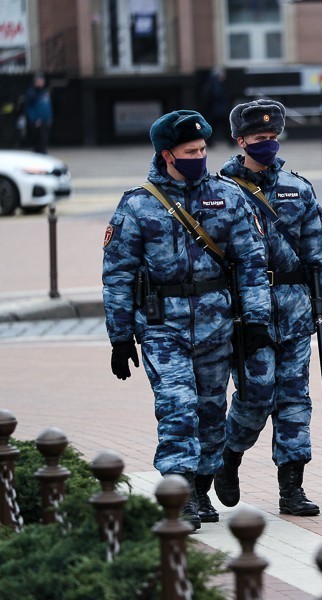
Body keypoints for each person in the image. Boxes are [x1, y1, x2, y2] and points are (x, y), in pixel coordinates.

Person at [102, 109, 272, 530]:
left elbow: (251, 262)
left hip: (217, 324)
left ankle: (201, 482)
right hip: (162, 326)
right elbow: (117, 274)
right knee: (178, 408)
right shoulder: (138, 204)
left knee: (212, 412)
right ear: (166, 155)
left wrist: (255, 320)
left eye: (202, 149)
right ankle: (178, 493)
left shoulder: (227, 196)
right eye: (189, 151)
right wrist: (120, 337)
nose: (199, 156)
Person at [214, 99, 322, 517]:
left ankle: (292, 487)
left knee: (294, 399)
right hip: (245, 314)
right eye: (259, 139)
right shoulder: (220, 193)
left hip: (295, 312)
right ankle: (228, 455)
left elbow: (319, 257)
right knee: (256, 396)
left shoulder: (298, 188)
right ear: (241, 141)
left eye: (273, 138)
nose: (268, 145)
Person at [23, 73, 52, 153]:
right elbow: (28, 108)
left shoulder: (44, 92)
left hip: (45, 120)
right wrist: (34, 119)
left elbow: (48, 106)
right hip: (37, 121)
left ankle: (43, 154)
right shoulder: (31, 93)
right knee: (38, 141)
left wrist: (49, 118)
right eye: (38, 81)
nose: (40, 82)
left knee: (44, 140)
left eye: (42, 81)